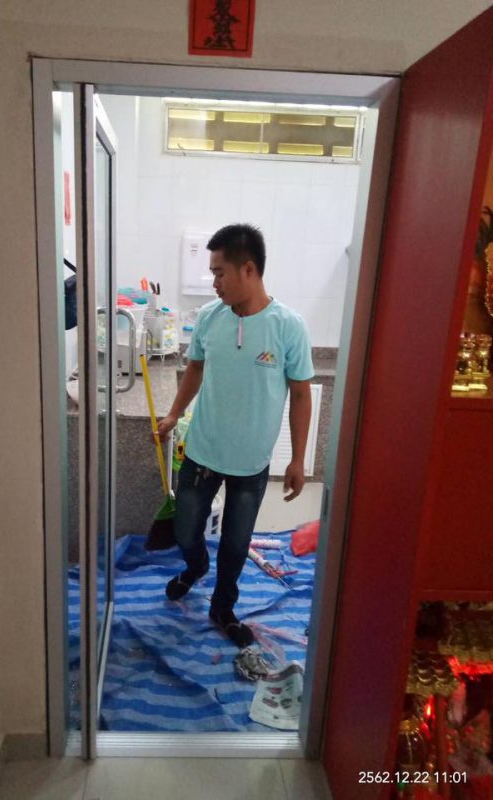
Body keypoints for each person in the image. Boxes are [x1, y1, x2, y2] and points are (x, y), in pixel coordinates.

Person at [156, 224, 314, 647]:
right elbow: (195, 368)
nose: (214, 283)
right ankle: (195, 568)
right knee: (185, 530)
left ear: (248, 269)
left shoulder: (288, 327)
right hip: (202, 452)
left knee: (236, 544)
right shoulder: (210, 318)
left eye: (219, 273)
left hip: (251, 463)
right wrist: (174, 413)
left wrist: (297, 459)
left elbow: (301, 394)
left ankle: (223, 607)